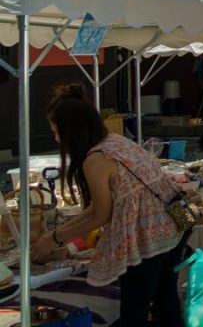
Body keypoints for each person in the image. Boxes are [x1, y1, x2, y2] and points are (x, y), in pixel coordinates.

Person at [32, 88, 184, 327]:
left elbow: (101, 214)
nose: (56, 139)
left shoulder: (97, 159)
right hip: (170, 229)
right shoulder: (115, 142)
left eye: (56, 132)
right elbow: (97, 209)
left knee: (135, 311)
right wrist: (55, 236)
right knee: (166, 303)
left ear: (71, 130)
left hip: (146, 238)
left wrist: (55, 237)